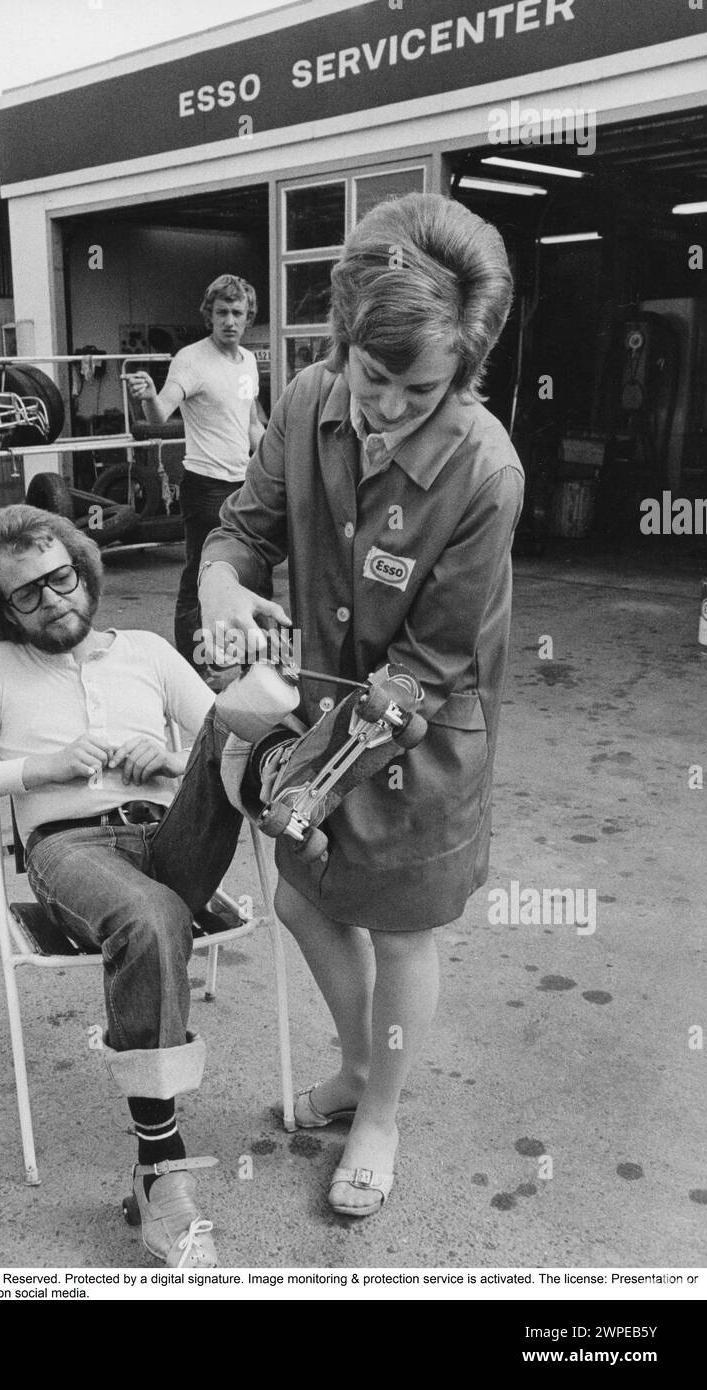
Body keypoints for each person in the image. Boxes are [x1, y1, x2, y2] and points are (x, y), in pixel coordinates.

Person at [198, 193, 524, 1218]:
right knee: (300, 897)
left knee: (398, 933)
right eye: (369, 375)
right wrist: (219, 581)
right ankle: (353, 1066)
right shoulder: (303, 400)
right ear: (340, 340)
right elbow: (241, 527)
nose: (385, 404)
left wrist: (309, 773)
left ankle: (378, 1110)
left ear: (461, 373)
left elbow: (426, 667)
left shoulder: (482, 471)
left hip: (418, 738)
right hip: (325, 712)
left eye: (417, 387)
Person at [0, 504, 244, 1268]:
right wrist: (43, 768)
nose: (50, 600)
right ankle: (161, 1167)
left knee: (239, 735)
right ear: (4, 610)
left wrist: (167, 763)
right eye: (23, 595)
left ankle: (325, 775)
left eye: (58, 578)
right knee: (151, 914)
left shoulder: (149, 652)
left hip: (171, 833)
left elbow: (217, 742)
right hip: (71, 848)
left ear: (83, 571)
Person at [126, 274, 267, 676]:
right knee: (201, 573)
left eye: (237, 313)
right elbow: (159, 414)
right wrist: (148, 396)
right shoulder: (190, 359)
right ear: (209, 316)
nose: (229, 320)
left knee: (247, 572)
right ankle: (193, 667)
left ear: (247, 317)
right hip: (205, 486)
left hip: (245, 486)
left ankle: (250, 660)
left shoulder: (249, 362)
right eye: (221, 312)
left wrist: (276, 462)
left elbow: (253, 424)